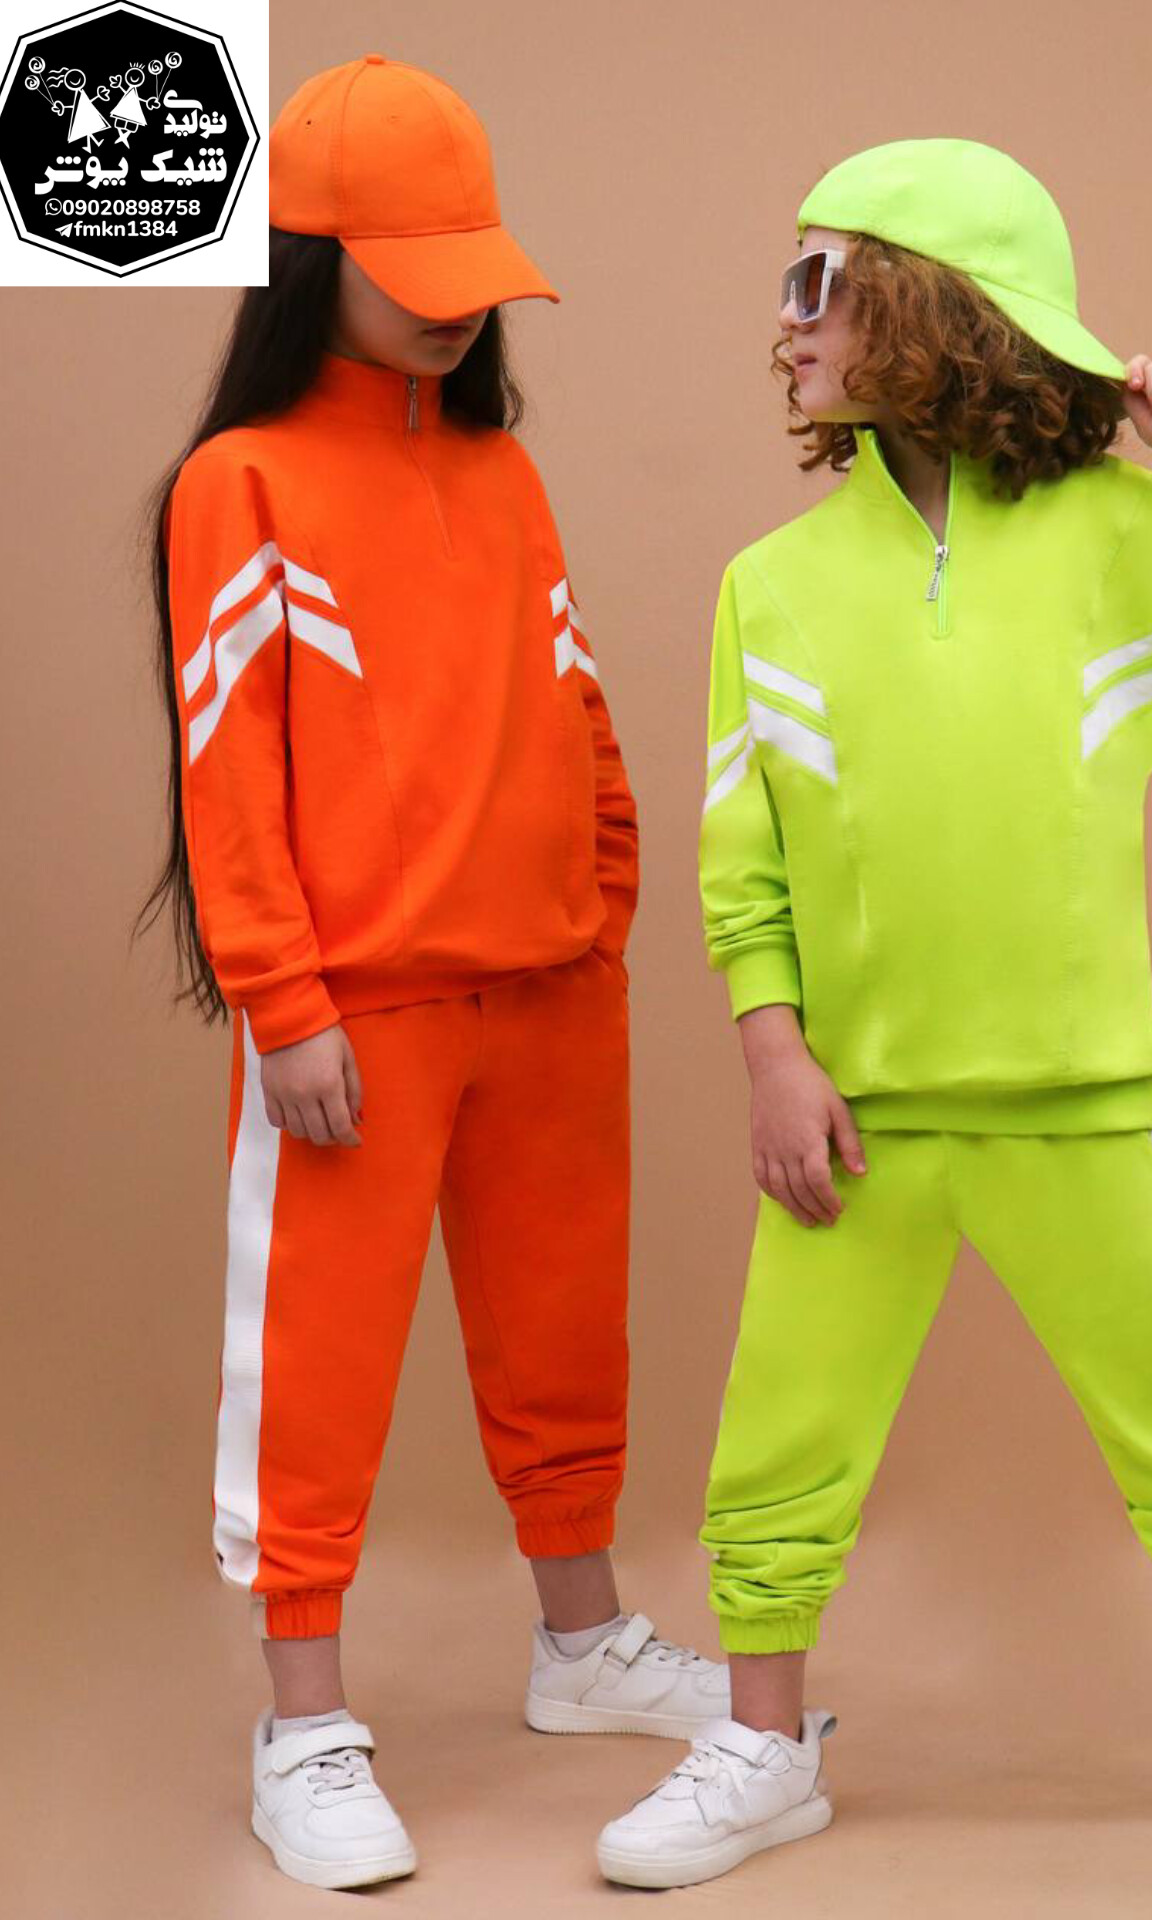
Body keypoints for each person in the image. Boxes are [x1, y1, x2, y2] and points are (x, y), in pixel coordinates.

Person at [596, 138, 1152, 1892]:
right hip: (858, 1117)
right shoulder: (772, 584)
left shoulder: (1121, 536)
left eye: (818, 284)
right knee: (780, 1438)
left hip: (1077, 1097)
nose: (785, 323)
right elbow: (742, 854)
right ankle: (761, 1747)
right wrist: (772, 1050)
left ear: (930, 306)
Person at [136, 54, 725, 1891]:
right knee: (317, 1365)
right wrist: (282, 1000)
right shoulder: (239, 480)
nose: (458, 306)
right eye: (417, 272)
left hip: (550, 988)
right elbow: (227, 764)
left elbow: (572, 690)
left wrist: (605, 901)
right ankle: (303, 1725)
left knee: (564, 1334)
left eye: (475, 270)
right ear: (310, 261)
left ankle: (582, 1643)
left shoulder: (501, 465)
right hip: (359, 1015)